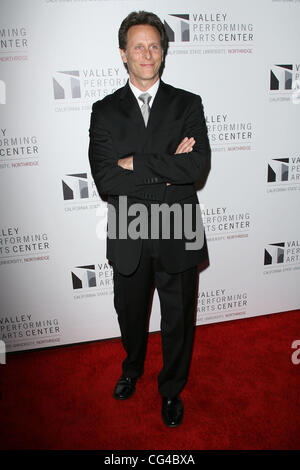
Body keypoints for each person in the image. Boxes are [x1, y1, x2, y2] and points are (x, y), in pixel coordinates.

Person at [89, 11, 211, 428]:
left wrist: (135, 165)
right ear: (123, 54)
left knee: (178, 319)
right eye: (138, 46)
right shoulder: (104, 111)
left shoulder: (187, 103)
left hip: (179, 229)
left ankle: (172, 389)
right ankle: (132, 368)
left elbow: (196, 167)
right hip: (129, 231)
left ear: (163, 52)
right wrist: (164, 169)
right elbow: (106, 178)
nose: (147, 53)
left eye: (154, 46)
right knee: (130, 314)